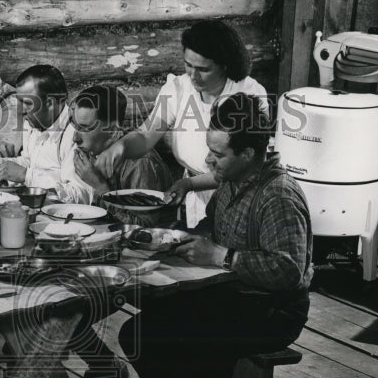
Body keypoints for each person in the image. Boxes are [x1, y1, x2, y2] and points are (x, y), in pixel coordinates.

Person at [119, 93, 312, 378]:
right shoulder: (231, 180)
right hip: (230, 294)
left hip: (273, 310)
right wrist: (181, 241)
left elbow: (289, 272)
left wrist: (222, 255)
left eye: (218, 154)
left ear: (249, 152)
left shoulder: (277, 195)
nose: (209, 162)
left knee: (194, 351)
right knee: (138, 333)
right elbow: (212, 225)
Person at [94, 20, 270, 227]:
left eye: (203, 69)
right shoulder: (179, 88)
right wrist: (120, 147)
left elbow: (247, 164)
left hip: (237, 193)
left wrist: (189, 184)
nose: (193, 75)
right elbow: (145, 135)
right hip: (195, 195)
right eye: (188, 65)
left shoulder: (249, 93)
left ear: (224, 64)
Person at [0, 65, 94, 204]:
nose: (20, 110)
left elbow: (82, 195)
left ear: (50, 103)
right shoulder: (33, 122)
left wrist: (27, 176)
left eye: (27, 103)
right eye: (19, 102)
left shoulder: (75, 135)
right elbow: (29, 162)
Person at [69, 84, 172, 199]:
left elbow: (143, 217)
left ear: (112, 131)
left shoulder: (141, 164)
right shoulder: (93, 154)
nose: (75, 138)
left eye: (85, 128)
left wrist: (100, 187)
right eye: (75, 125)